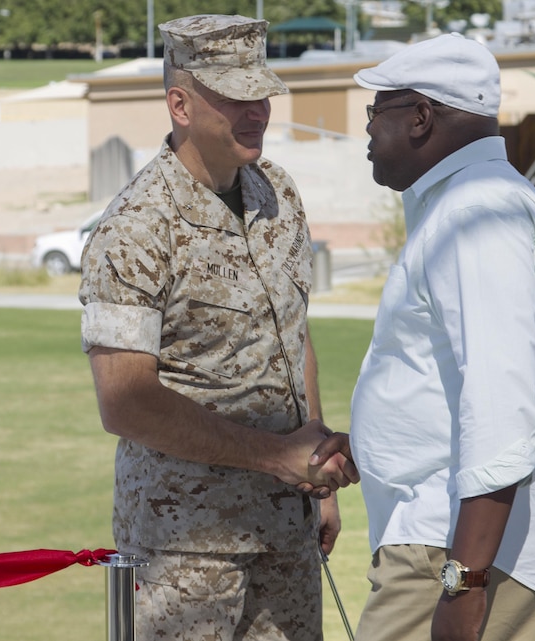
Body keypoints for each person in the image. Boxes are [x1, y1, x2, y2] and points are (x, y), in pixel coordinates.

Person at [306, 33, 535, 641]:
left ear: (420, 117)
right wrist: (371, 442)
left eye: (375, 112)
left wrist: (462, 586)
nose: (366, 130)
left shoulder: (473, 212)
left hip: (460, 552)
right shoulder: (481, 200)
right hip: (471, 544)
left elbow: (501, 411)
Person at [78, 14, 357, 641]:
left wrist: (313, 473)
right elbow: (125, 403)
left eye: (261, 94)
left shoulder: (276, 194)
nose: (255, 111)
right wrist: (277, 457)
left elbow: (292, 333)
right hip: (186, 551)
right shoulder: (135, 226)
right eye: (233, 96)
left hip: (286, 531)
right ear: (180, 103)